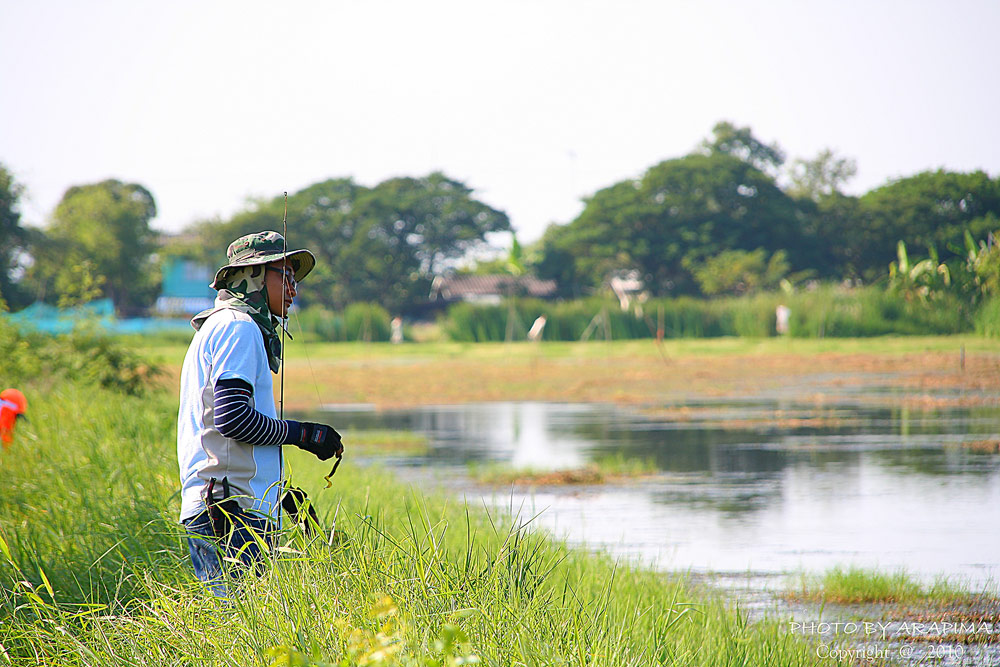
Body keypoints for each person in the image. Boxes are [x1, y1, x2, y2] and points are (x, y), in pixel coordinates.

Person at [176, 230, 343, 595]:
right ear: (252, 276)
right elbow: (233, 419)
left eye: (295, 279)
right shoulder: (238, 327)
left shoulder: (224, 326)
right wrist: (304, 435)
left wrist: (277, 491)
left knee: (235, 625)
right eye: (284, 275)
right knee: (236, 626)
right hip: (228, 512)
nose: (294, 289)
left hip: (227, 505)